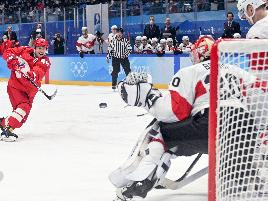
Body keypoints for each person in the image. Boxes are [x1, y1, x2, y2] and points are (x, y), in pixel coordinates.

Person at [109, 36, 267, 200]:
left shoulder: (191, 71)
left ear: (199, 53)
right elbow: (262, 96)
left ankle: (141, 183)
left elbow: (175, 112)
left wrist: (149, 98)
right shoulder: (238, 70)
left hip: (209, 127)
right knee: (239, 179)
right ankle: (252, 178)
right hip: (246, 130)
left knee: (162, 133)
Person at [0, 38, 51, 142]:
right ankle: (7, 131)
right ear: (35, 48)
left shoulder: (45, 61)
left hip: (29, 92)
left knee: (22, 118)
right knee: (24, 107)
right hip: (15, 87)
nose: (41, 51)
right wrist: (12, 60)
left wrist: (31, 75)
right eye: (39, 48)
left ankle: (2, 122)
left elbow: (39, 72)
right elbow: (7, 52)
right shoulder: (24, 50)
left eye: (43, 48)